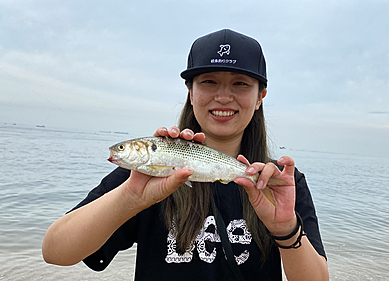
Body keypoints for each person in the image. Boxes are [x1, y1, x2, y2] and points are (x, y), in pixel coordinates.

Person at [43, 29, 328, 280]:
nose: (224, 97)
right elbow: (56, 251)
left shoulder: (278, 182)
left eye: (240, 83)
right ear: (190, 93)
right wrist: (130, 198)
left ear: (260, 97)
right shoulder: (145, 174)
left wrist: (286, 228)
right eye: (208, 82)